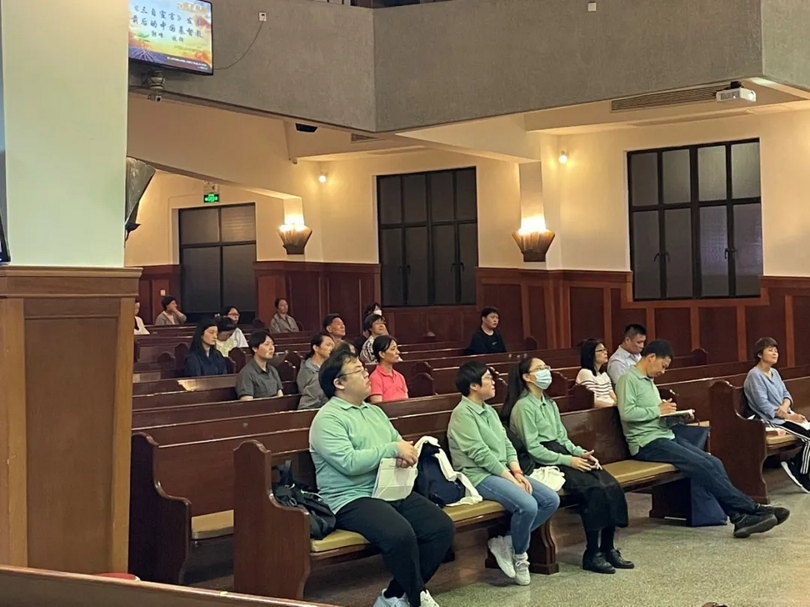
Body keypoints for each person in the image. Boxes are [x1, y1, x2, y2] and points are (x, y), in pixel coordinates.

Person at [309, 350, 452, 607]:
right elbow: (349, 463)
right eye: (358, 371)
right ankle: (418, 597)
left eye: (364, 369)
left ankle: (396, 595)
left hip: (388, 489)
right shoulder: (328, 419)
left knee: (440, 527)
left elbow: (396, 441)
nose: (366, 374)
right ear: (339, 383)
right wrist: (391, 450)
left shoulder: (373, 412)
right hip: (351, 498)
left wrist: (406, 453)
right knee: (400, 534)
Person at [616, 339, 789, 538]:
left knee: (713, 461)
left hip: (664, 435)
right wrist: (656, 410)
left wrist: (674, 415)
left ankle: (739, 518)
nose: (663, 372)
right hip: (646, 443)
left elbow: (652, 413)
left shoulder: (648, 381)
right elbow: (627, 414)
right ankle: (752, 509)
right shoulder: (628, 379)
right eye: (663, 366)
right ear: (651, 357)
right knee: (701, 465)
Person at [502, 358, 632, 574]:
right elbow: (533, 448)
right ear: (526, 377)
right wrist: (568, 460)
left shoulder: (549, 403)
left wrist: (581, 453)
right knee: (594, 490)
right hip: (545, 460)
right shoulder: (523, 407)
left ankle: (608, 548)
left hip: (562, 453)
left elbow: (563, 438)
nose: (547, 371)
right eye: (540, 369)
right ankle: (592, 553)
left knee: (610, 484)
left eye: (547, 367)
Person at [448, 361, 559, 586]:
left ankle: (507, 541)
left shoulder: (488, 410)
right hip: (478, 475)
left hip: (502, 472)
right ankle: (520, 556)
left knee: (550, 500)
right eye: (488, 378)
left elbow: (507, 444)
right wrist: (510, 477)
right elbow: (480, 454)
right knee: (527, 505)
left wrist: (516, 472)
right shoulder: (462, 414)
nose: (493, 382)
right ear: (474, 386)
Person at [744, 337, 810, 493]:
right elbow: (764, 406)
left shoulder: (774, 372)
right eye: (770, 350)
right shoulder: (755, 376)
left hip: (784, 415)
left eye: (776, 350)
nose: (775, 353)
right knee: (809, 437)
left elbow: (787, 394)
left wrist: (786, 408)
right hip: (770, 420)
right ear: (760, 354)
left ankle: (796, 463)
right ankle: (803, 473)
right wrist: (788, 416)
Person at [236, 330, 284, 400]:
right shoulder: (246, 373)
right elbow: (246, 404)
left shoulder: (272, 370)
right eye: (267, 344)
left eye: (272, 344)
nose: (272, 348)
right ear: (255, 349)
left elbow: (280, 398)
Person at [297, 333, 335, 410]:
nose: (331, 348)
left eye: (332, 346)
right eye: (328, 345)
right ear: (316, 348)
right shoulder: (307, 369)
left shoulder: (331, 366)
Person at [577, 339, 617, 407]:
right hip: (598, 412)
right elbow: (593, 401)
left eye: (605, 349)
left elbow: (612, 395)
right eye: (601, 350)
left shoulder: (604, 375)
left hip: (610, 409)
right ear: (590, 354)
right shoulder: (585, 373)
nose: (605, 352)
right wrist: (614, 405)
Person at [369, 336, 408, 403]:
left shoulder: (400, 376)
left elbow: (407, 402)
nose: (398, 352)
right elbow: (378, 406)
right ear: (382, 354)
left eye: (397, 348)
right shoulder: (375, 378)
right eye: (393, 349)